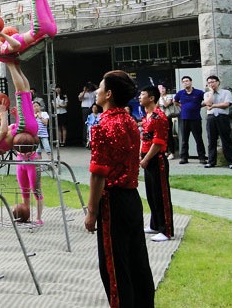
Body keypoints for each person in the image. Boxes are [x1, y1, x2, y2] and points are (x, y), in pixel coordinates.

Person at [84, 71, 155, 307]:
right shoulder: (129, 122)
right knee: (137, 262)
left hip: (112, 201)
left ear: (109, 94)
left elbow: (98, 173)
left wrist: (92, 211)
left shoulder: (102, 125)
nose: (97, 91)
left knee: (114, 267)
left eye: (101, 87)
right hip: (132, 199)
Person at [138, 86, 174, 242]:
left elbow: (158, 143)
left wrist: (146, 159)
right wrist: (141, 154)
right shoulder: (147, 116)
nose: (140, 97)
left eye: (143, 95)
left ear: (151, 98)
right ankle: (155, 224)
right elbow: (144, 139)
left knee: (161, 194)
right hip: (147, 157)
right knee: (151, 194)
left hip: (156, 159)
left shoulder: (158, 117)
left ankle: (166, 230)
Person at [203, 75, 232, 169]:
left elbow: (226, 104)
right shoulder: (207, 94)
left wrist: (214, 106)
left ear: (218, 82)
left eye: (213, 82)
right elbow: (208, 103)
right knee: (211, 140)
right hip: (211, 117)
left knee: (225, 140)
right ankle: (211, 162)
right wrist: (212, 92)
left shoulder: (226, 92)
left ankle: (231, 162)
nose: (211, 84)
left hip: (223, 117)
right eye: (209, 83)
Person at [173, 76, 207, 164]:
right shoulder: (180, 93)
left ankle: (202, 157)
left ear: (191, 82)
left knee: (198, 139)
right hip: (184, 119)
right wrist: (181, 105)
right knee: (184, 139)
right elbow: (175, 101)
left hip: (195, 119)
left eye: (187, 81)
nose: (185, 83)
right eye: (183, 81)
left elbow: (206, 100)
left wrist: (199, 105)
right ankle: (184, 158)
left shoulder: (199, 93)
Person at [158, 84, 178, 159]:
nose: (162, 90)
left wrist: (162, 97)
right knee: (162, 136)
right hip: (160, 118)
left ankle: (172, 152)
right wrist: (159, 96)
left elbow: (166, 105)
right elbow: (156, 106)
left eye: (163, 88)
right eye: (160, 89)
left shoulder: (169, 96)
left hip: (167, 118)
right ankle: (165, 151)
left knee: (169, 135)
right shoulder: (158, 97)